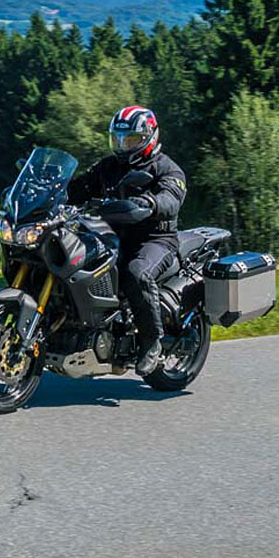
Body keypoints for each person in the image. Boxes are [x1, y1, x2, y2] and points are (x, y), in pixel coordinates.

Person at [67, 105, 188, 375]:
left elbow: (171, 198)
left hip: (156, 239)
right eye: (118, 139)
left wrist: (151, 202)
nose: (123, 146)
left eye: (131, 140)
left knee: (136, 274)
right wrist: (48, 191)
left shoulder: (168, 169)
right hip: (113, 234)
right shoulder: (109, 167)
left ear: (149, 137)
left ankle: (152, 342)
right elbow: (79, 187)